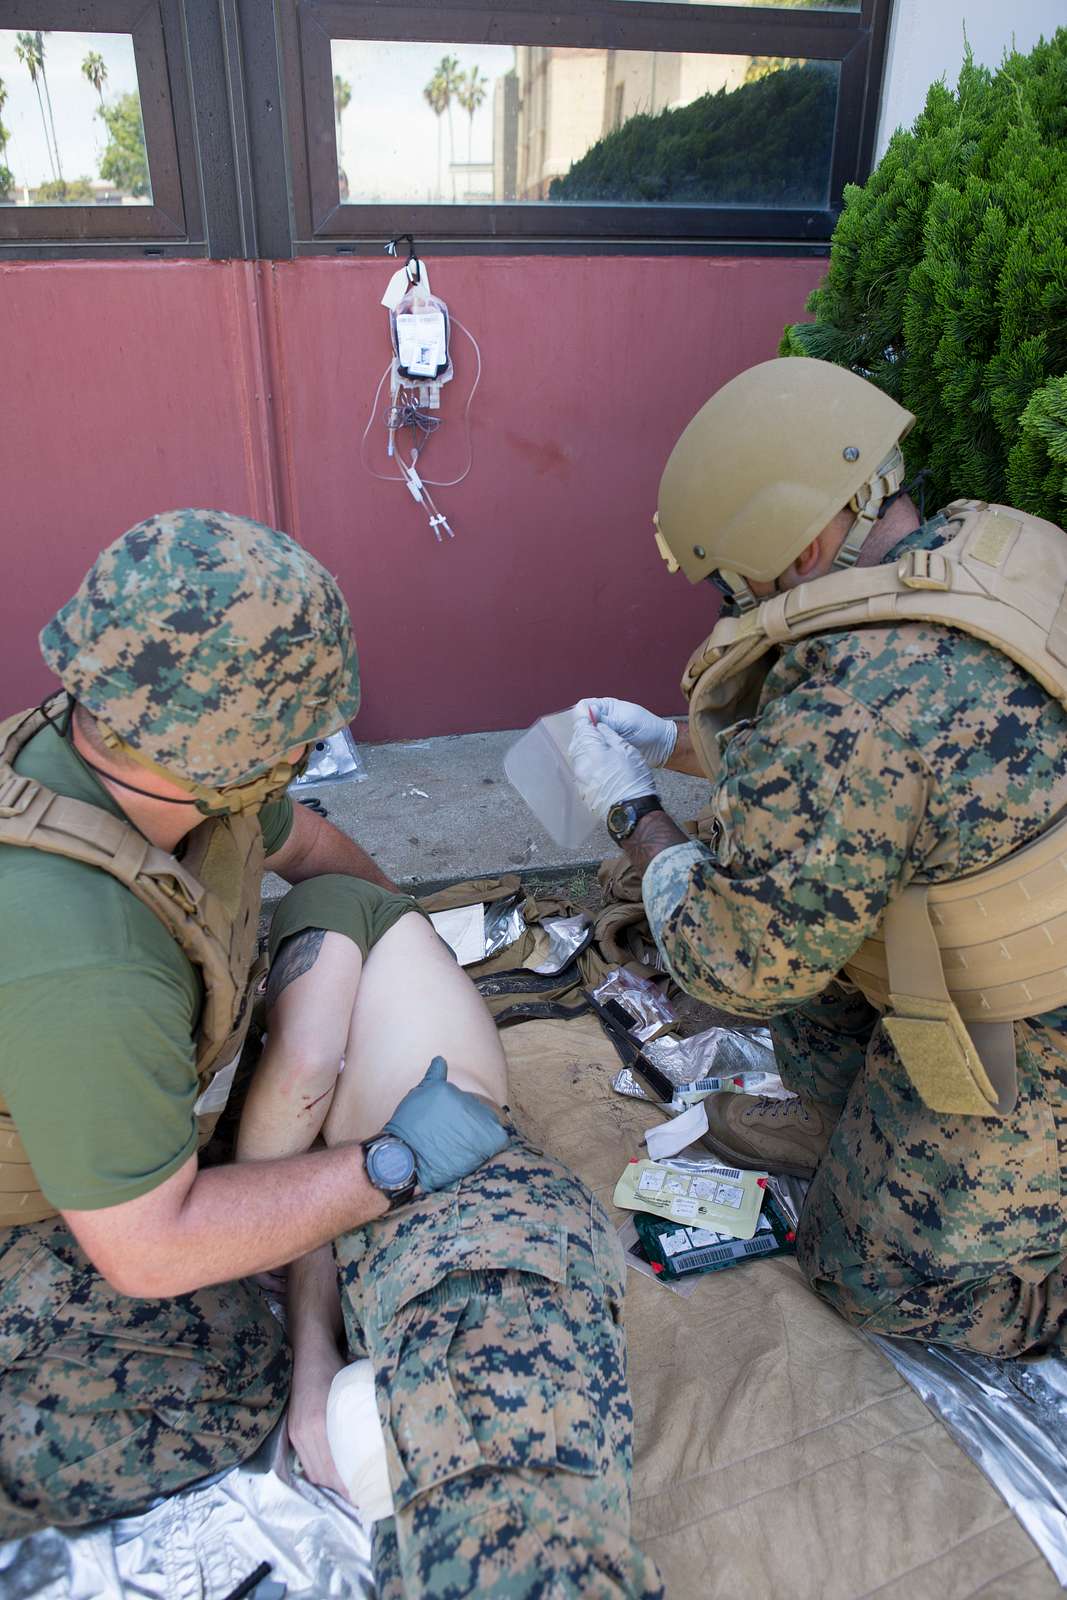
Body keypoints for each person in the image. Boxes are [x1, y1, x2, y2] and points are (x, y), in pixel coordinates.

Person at [0, 510, 510, 1538]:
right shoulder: (82, 954)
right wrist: (388, 1166)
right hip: (59, 1210)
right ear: (232, 750)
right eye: (296, 734)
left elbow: (312, 848)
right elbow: (145, 1251)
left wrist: (406, 938)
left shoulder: (145, 759)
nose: (307, 753)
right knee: (227, 1372)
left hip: (88, 1113)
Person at [570, 357, 1067, 1358]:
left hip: (1035, 1023)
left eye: (728, 577)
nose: (729, 597)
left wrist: (632, 815)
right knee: (816, 969)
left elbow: (733, 960)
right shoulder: (993, 547)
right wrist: (673, 743)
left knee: (863, 1270)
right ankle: (881, 1131)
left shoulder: (851, 693)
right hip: (1005, 952)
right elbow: (897, 768)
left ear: (797, 543)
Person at [243, 879, 662, 1599]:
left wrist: (309, 1348)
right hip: (444, 1241)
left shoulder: (335, 912)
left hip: (473, 1232)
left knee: (516, 1555)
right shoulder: (361, 970)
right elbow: (304, 1208)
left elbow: (279, 1173)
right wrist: (312, 1350)